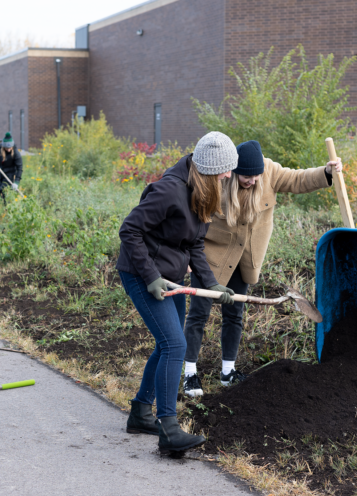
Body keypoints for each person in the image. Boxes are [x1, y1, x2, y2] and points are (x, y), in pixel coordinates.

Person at [181, 140, 341, 397]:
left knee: (234, 315)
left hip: (244, 259)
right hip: (211, 259)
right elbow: (191, 218)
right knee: (199, 315)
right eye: (246, 176)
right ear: (233, 170)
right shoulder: (217, 179)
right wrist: (186, 255)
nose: (252, 180)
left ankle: (227, 372)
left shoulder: (269, 172)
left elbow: (298, 179)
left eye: (256, 176)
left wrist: (326, 172)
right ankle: (189, 374)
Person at [117, 131, 238, 454]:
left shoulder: (202, 191)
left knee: (167, 343)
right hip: (142, 274)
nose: (229, 175)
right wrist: (152, 277)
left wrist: (210, 283)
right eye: (225, 170)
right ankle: (168, 429)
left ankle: (141, 412)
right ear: (211, 169)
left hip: (173, 278)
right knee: (175, 343)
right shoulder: (169, 191)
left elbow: (195, 243)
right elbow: (129, 230)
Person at [0, 132, 22, 202]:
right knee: (1, 191)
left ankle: (8, 208)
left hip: (11, 175)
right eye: (7, 148)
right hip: (1, 174)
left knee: (5, 191)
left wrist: (16, 182)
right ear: (3, 146)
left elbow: (19, 168)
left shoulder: (16, 153)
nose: (8, 150)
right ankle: (6, 208)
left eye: (10, 148)